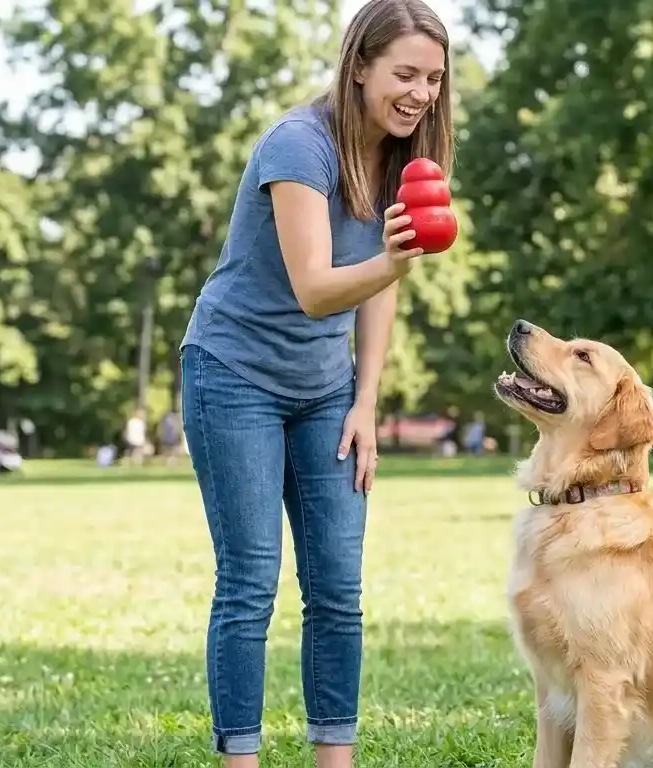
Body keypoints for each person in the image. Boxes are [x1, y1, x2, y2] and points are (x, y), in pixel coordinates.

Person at [175, 1, 454, 765]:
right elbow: (317, 286)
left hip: (326, 386)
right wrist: (393, 263)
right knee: (250, 583)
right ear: (358, 64)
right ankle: (242, 758)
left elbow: (378, 286)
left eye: (433, 78)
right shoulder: (299, 145)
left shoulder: (403, 154)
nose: (420, 93)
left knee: (337, 589)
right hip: (234, 375)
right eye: (405, 74)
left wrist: (365, 400)